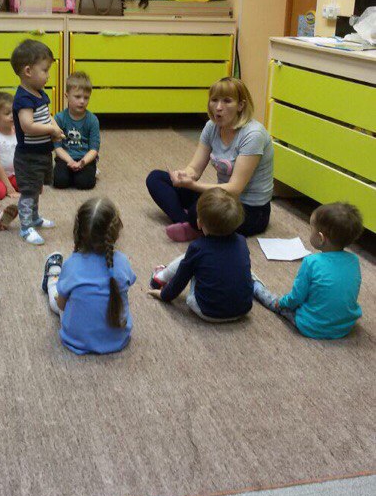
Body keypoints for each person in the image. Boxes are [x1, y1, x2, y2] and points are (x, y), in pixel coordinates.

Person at [146, 77, 274, 241]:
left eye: (227, 101)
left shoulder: (253, 135)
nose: (218, 107)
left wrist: (193, 186)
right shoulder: (211, 127)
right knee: (155, 178)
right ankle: (193, 225)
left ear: (241, 105)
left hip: (250, 210)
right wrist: (183, 176)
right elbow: (195, 168)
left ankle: (196, 226)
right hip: (221, 198)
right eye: (214, 100)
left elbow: (235, 188)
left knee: (197, 211)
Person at [253, 202, 363, 339]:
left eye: (311, 229)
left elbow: (296, 298)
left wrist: (281, 303)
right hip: (344, 327)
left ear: (321, 238)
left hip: (312, 326)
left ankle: (255, 286)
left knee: (278, 302)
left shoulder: (311, 262)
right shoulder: (354, 260)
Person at [41, 196, 136, 354]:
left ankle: (52, 279)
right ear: (116, 231)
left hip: (76, 339)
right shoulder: (123, 262)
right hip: (118, 339)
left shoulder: (72, 264)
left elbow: (61, 305)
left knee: (56, 299)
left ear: (78, 230)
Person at [148, 187, 253, 322]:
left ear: (199, 223)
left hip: (207, 311)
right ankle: (163, 274)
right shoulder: (242, 241)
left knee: (188, 261)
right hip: (243, 309)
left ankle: (160, 277)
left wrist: (164, 295)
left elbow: (180, 280)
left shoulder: (197, 247)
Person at [10, 39, 65, 245]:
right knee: (28, 192)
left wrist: (55, 128)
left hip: (42, 153)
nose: (48, 75)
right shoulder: (23, 98)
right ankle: (25, 227)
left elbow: (47, 115)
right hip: (28, 157)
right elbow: (27, 125)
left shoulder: (39, 93)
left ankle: (34, 218)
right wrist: (51, 129)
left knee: (36, 189)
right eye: (45, 70)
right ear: (28, 71)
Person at [53, 71, 100, 190]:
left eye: (86, 97)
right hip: (65, 158)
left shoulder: (93, 120)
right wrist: (69, 161)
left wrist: (82, 162)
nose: (82, 101)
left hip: (85, 159)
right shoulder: (59, 118)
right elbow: (57, 147)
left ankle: (92, 171)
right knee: (59, 182)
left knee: (84, 184)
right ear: (67, 96)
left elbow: (94, 149)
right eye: (78, 97)